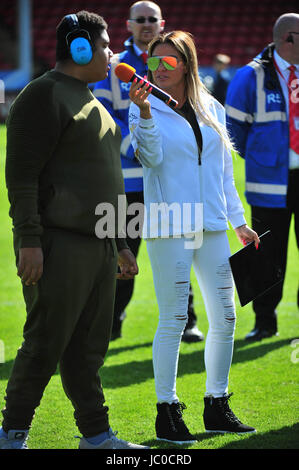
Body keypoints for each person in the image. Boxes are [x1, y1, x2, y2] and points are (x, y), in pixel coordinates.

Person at [0, 11, 148, 450]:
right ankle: (11, 434)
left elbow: (105, 179)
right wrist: (29, 240)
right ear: (78, 48)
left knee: (88, 350)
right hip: (58, 242)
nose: (110, 53)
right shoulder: (43, 95)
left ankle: (96, 436)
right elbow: (22, 175)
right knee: (45, 343)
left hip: (101, 245)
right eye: (104, 45)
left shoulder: (93, 101)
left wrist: (120, 242)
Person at [128, 30, 259, 444]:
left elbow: (223, 173)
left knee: (225, 317)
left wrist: (238, 221)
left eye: (167, 62)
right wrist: (145, 114)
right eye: (153, 62)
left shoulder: (212, 107)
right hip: (170, 224)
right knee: (174, 318)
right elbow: (149, 157)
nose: (158, 70)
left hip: (214, 224)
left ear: (186, 64)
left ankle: (216, 405)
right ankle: (166, 411)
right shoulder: (141, 106)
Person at [93, 1, 204, 343]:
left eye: (151, 19)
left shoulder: (176, 64)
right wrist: (136, 148)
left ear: (162, 22)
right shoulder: (114, 66)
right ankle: (110, 321)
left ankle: (186, 321)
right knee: (120, 254)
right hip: (126, 179)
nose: (146, 24)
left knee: (179, 251)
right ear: (128, 24)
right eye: (139, 20)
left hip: (170, 179)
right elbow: (103, 114)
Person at [226, 13, 299, 342]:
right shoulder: (250, 76)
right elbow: (231, 132)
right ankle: (264, 322)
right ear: (289, 39)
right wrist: (263, 159)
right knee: (266, 253)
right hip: (268, 180)